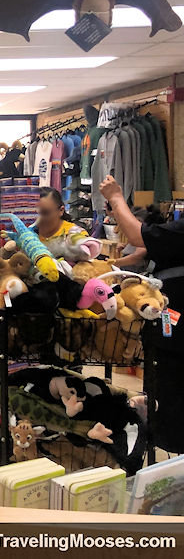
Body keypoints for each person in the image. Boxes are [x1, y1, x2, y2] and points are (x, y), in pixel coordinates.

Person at [100, 174, 184, 452]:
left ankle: (171, 450)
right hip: (172, 323)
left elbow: (138, 234)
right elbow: (160, 246)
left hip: (176, 329)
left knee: (171, 390)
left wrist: (115, 196)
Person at [34, 187, 100, 262]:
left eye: (46, 213)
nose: (40, 218)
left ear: (61, 210)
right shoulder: (32, 235)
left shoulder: (75, 235)